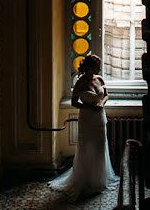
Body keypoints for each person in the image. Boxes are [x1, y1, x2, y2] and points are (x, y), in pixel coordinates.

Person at [48, 54, 118, 199]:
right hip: (86, 118)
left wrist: (101, 103)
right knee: (86, 147)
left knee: (99, 146)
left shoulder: (100, 79)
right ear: (90, 66)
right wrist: (87, 106)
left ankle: (98, 179)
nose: (99, 68)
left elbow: (106, 95)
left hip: (99, 118)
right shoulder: (80, 82)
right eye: (97, 66)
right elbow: (74, 102)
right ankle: (85, 180)